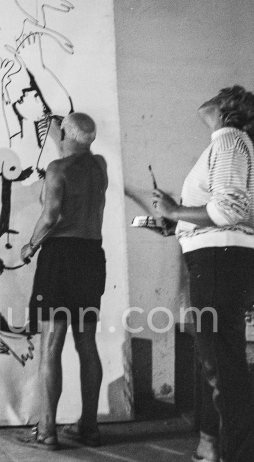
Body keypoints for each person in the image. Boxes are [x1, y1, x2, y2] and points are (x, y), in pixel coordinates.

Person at [152, 85, 254, 462]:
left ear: (227, 107)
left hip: (216, 261)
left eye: (220, 94)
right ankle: (216, 448)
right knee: (221, 361)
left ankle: (237, 454)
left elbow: (227, 211)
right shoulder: (237, 145)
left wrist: (176, 211)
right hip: (222, 258)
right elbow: (232, 211)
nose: (207, 99)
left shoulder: (228, 141)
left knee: (221, 365)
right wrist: (177, 222)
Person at [19, 112, 108, 450]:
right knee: (87, 343)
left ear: (67, 133)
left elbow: (51, 216)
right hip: (91, 257)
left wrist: (29, 247)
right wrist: (63, 135)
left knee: (51, 345)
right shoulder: (100, 166)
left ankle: (47, 430)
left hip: (60, 257)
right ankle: (89, 427)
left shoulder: (58, 170)